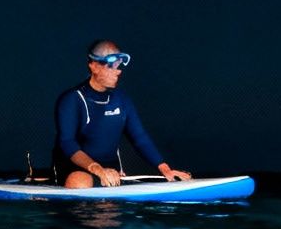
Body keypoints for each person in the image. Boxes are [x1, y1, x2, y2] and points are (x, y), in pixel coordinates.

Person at [53, 40, 192, 188]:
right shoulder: (72, 100)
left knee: (183, 177)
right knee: (80, 181)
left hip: (111, 171)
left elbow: (139, 137)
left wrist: (165, 169)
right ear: (93, 66)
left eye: (118, 66)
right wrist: (98, 170)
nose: (118, 71)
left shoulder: (122, 99)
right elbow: (67, 143)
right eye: (111, 66)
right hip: (75, 171)